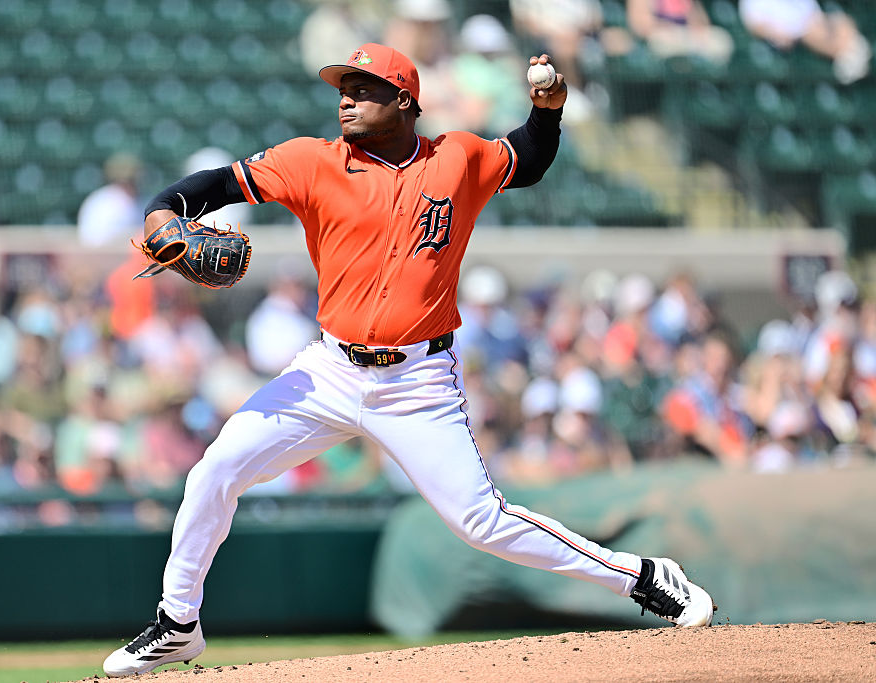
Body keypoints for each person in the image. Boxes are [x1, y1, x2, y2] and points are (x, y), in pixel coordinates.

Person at [103, 43, 715, 677]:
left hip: (417, 380)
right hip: (328, 372)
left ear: (404, 101)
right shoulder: (311, 162)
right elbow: (217, 184)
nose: (345, 97)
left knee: (481, 521)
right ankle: (177, 623)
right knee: (215, 470)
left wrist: (548, 109)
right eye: (342, 87)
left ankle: (644, 579)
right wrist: (162, 211)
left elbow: (527, 160)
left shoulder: (457, 158)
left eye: (362, 88)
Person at [739, 0, 871, 85]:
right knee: (817, 32)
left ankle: (850, 53)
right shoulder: (753, 4)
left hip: (812, 22)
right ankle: (848, 53)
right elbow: (754, 25)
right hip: (793, 33)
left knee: (841, 24)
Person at [76, 153, 144, 247]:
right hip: (105, 257)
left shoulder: (145, 201)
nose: (129, 184)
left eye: (132, 180)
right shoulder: (100, 202)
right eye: (125, 180)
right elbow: (92, 242)